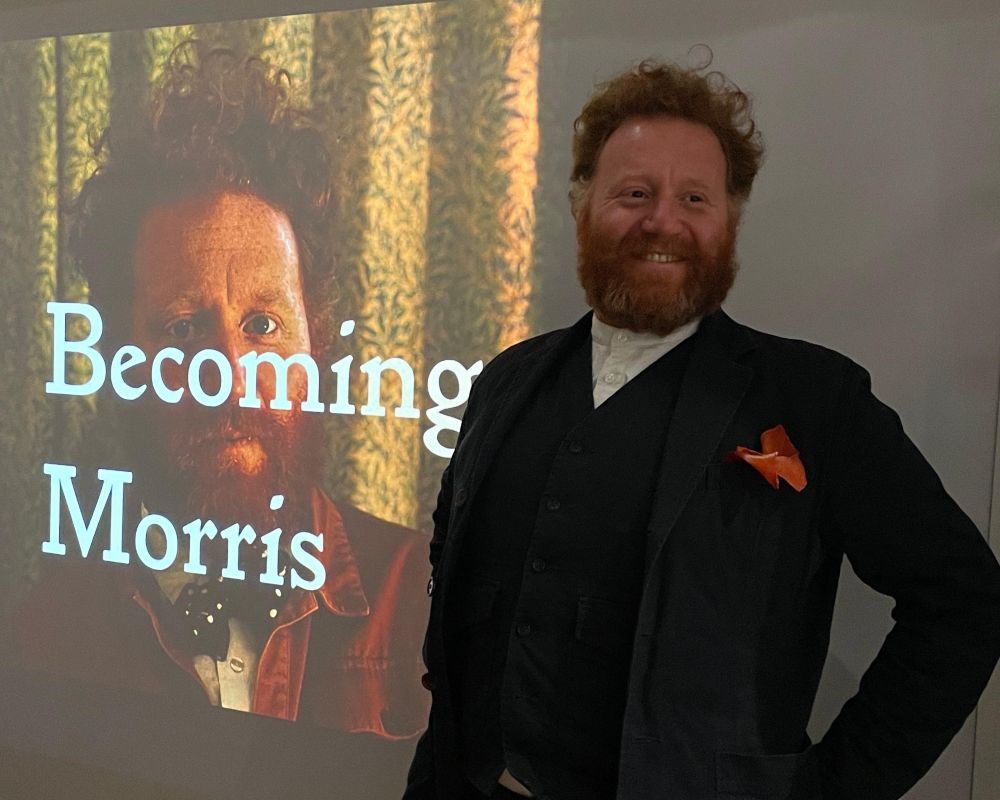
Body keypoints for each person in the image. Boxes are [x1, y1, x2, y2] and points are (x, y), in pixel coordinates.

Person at [404, 59, 1000, 800]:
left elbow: (964, 601)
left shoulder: (818, 401)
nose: (663, 220)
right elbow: (454, 567)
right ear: (581, 202)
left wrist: (834, 788)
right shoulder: (506, 381)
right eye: (634, 193)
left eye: (694, 197)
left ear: (729, 219)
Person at [14, 43, 429, 737]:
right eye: (181, 330)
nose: (230, 375)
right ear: (119, 356)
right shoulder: (46, 634)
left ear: (314, 345)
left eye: (263, 324)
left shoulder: (423, 596)